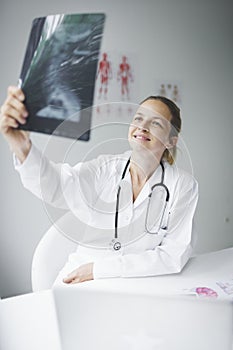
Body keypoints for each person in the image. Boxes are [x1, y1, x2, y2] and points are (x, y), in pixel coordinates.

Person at [0, 86, 198, 285]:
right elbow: (58, 186)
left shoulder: (182, 186)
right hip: (79, 279)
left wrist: (99, 269)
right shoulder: (105, 169)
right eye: (138, 118)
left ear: (171, 141)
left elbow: (173, 255)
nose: (142, 126)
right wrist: (22, 148)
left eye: (156, 123)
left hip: (136, 284)